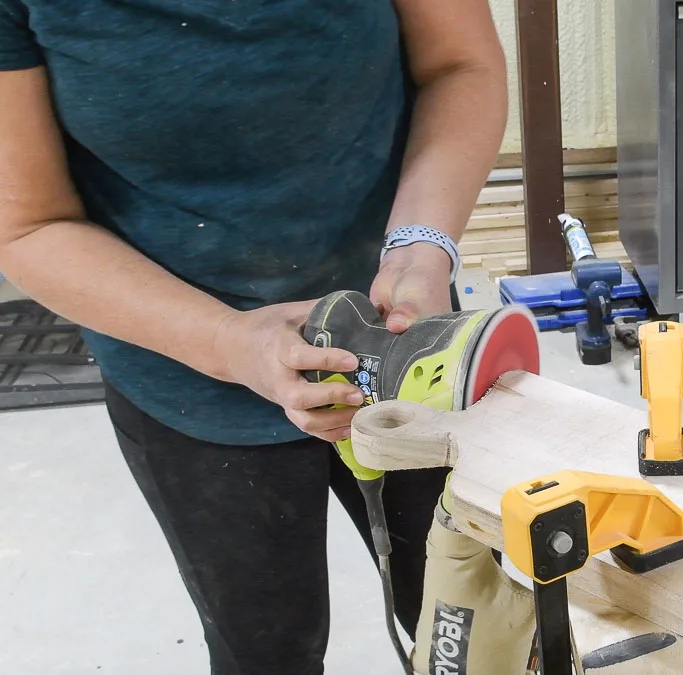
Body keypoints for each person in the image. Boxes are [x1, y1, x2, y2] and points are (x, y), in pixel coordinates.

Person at [0, 1, 508, 672]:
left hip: (403, 337)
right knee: (266, 648)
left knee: (482, 627)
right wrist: (228, 341)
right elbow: (26, 224)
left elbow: (460, 63)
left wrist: (421, 244)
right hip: (185, 370)